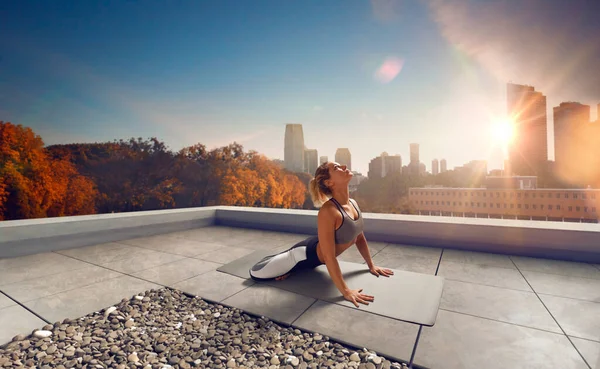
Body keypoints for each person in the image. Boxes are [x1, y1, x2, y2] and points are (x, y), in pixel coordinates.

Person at [249, 161, 394, 307]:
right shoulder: (328, 211)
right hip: (302, 254)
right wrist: (346, 291)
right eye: (336, 168)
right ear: (329, 182)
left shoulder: (353, 203)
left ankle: (289, 267)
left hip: (316, 249)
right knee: (257, 273)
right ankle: (287, 264)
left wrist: (371, 265)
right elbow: (329, 257)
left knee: (286, 269)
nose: (344, 166)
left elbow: (359, 237)